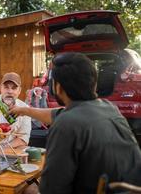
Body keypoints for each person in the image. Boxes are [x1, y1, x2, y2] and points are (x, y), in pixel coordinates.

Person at [10, 52, 141, 194]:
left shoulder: (66, 124)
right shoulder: (109, 108)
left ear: (57, 87)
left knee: (26, 189)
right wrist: (24, 110)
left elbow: (51, 189)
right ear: (94, 83)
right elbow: (57, 114)